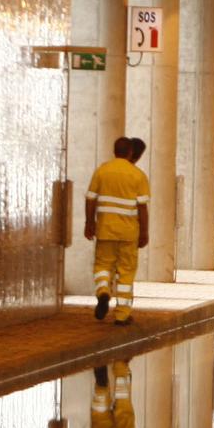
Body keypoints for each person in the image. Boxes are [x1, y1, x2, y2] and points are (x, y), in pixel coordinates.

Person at [86, 136, 150, 324]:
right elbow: (142, 208)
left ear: (114, 151)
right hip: (129, 233)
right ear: (130, 152)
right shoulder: (138, 175)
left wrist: (89, 223)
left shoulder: (102, 171)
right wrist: (144, 232)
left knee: (102, 267)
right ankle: (122, 315)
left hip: (105, 230)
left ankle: (103, 291)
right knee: (126, 272)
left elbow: (90, 199)